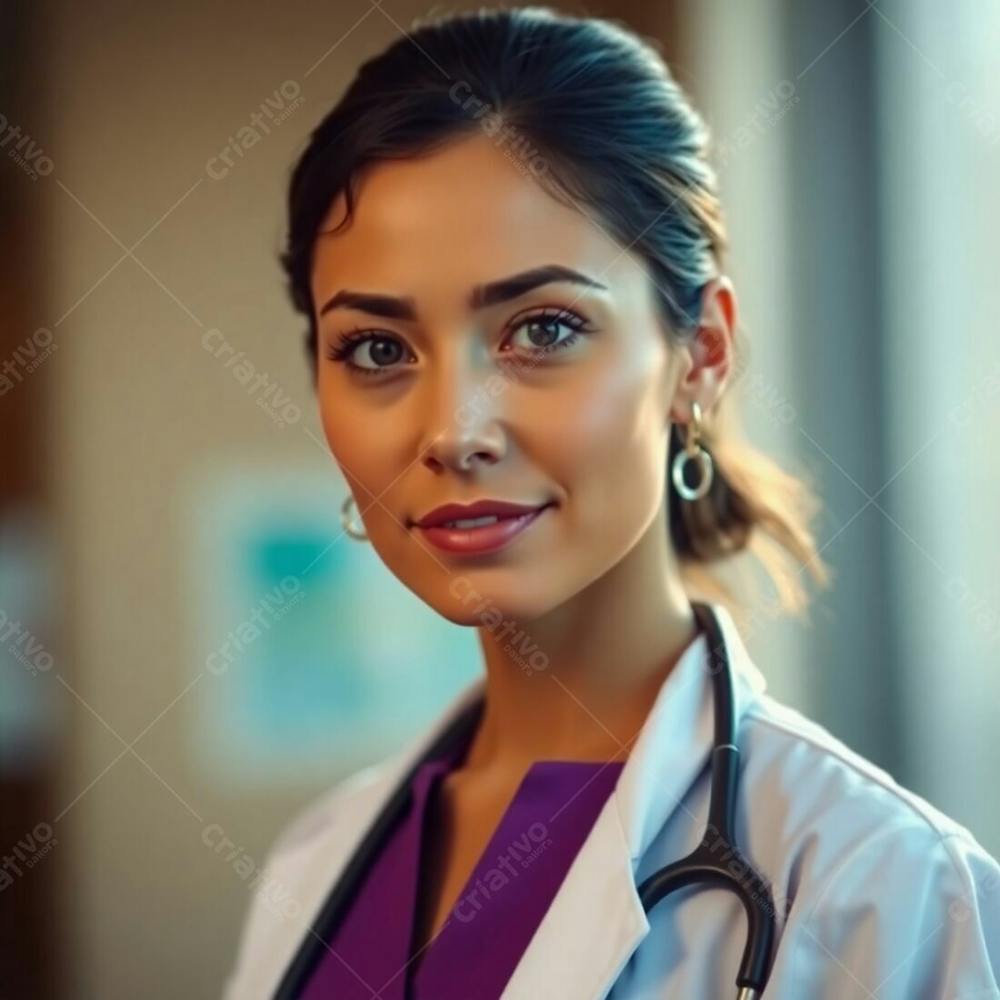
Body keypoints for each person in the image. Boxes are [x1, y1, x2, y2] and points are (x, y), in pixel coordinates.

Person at [222, 7, 1000, 998]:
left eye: (541, 328)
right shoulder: (315, 862)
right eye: (378, 349)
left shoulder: (888, 891)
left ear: (699, 357)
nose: (452, 430)